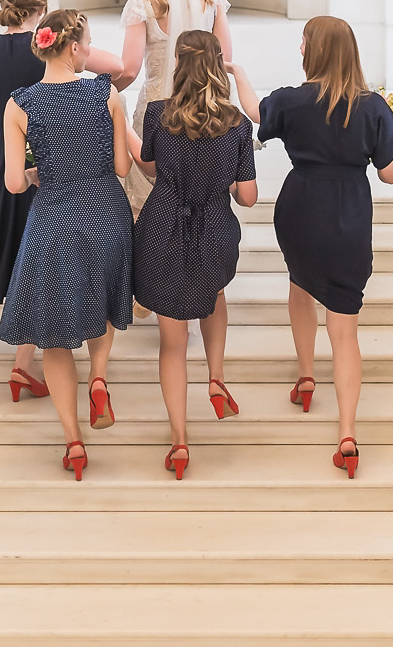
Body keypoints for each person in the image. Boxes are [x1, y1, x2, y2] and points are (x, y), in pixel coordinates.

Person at [228, 17, 393, 478]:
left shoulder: (291, 100)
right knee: (344, 328)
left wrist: (240, 74)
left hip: (301, 206)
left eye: (303, 41)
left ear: (313, 50)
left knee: (300, 284)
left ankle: (306, 376)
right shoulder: (371, 107)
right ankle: (347, 432)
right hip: (348, 213)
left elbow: (255, 113)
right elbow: (390, 174)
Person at [0, 0, 121, 404]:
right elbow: (117, 69)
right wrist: (105, 103)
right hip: (50, 155)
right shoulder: (51, 48)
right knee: (36, 254)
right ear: (43, 7)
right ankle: (21, 365)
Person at [0, 10, 134, 481]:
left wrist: (40, 173)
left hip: (55, 219)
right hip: (106, 214)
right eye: (90, 43)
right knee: (103, 304)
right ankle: (99, 377)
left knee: (54, 335)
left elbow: (14, 183)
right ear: (74, 48)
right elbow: (121, 167)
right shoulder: (106, 93)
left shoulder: (20, 104)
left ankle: (74, 441)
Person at [128, 30, 258, 480]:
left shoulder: (158, 115)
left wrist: (129, 137)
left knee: (172, 342)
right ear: (217, 64)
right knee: (213, 292)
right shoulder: (239, 123)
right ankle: (217, 377)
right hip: (215, 227)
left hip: (162, 223)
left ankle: (180, 440)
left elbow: (150, 167)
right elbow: (248, 197)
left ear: (179, 65)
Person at [115, 0, 233, 217]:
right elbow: (225, 58)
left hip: (157, 107)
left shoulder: (143, 3)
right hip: (206, 105)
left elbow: (129, 70)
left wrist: (100, 93)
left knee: (153, 197)